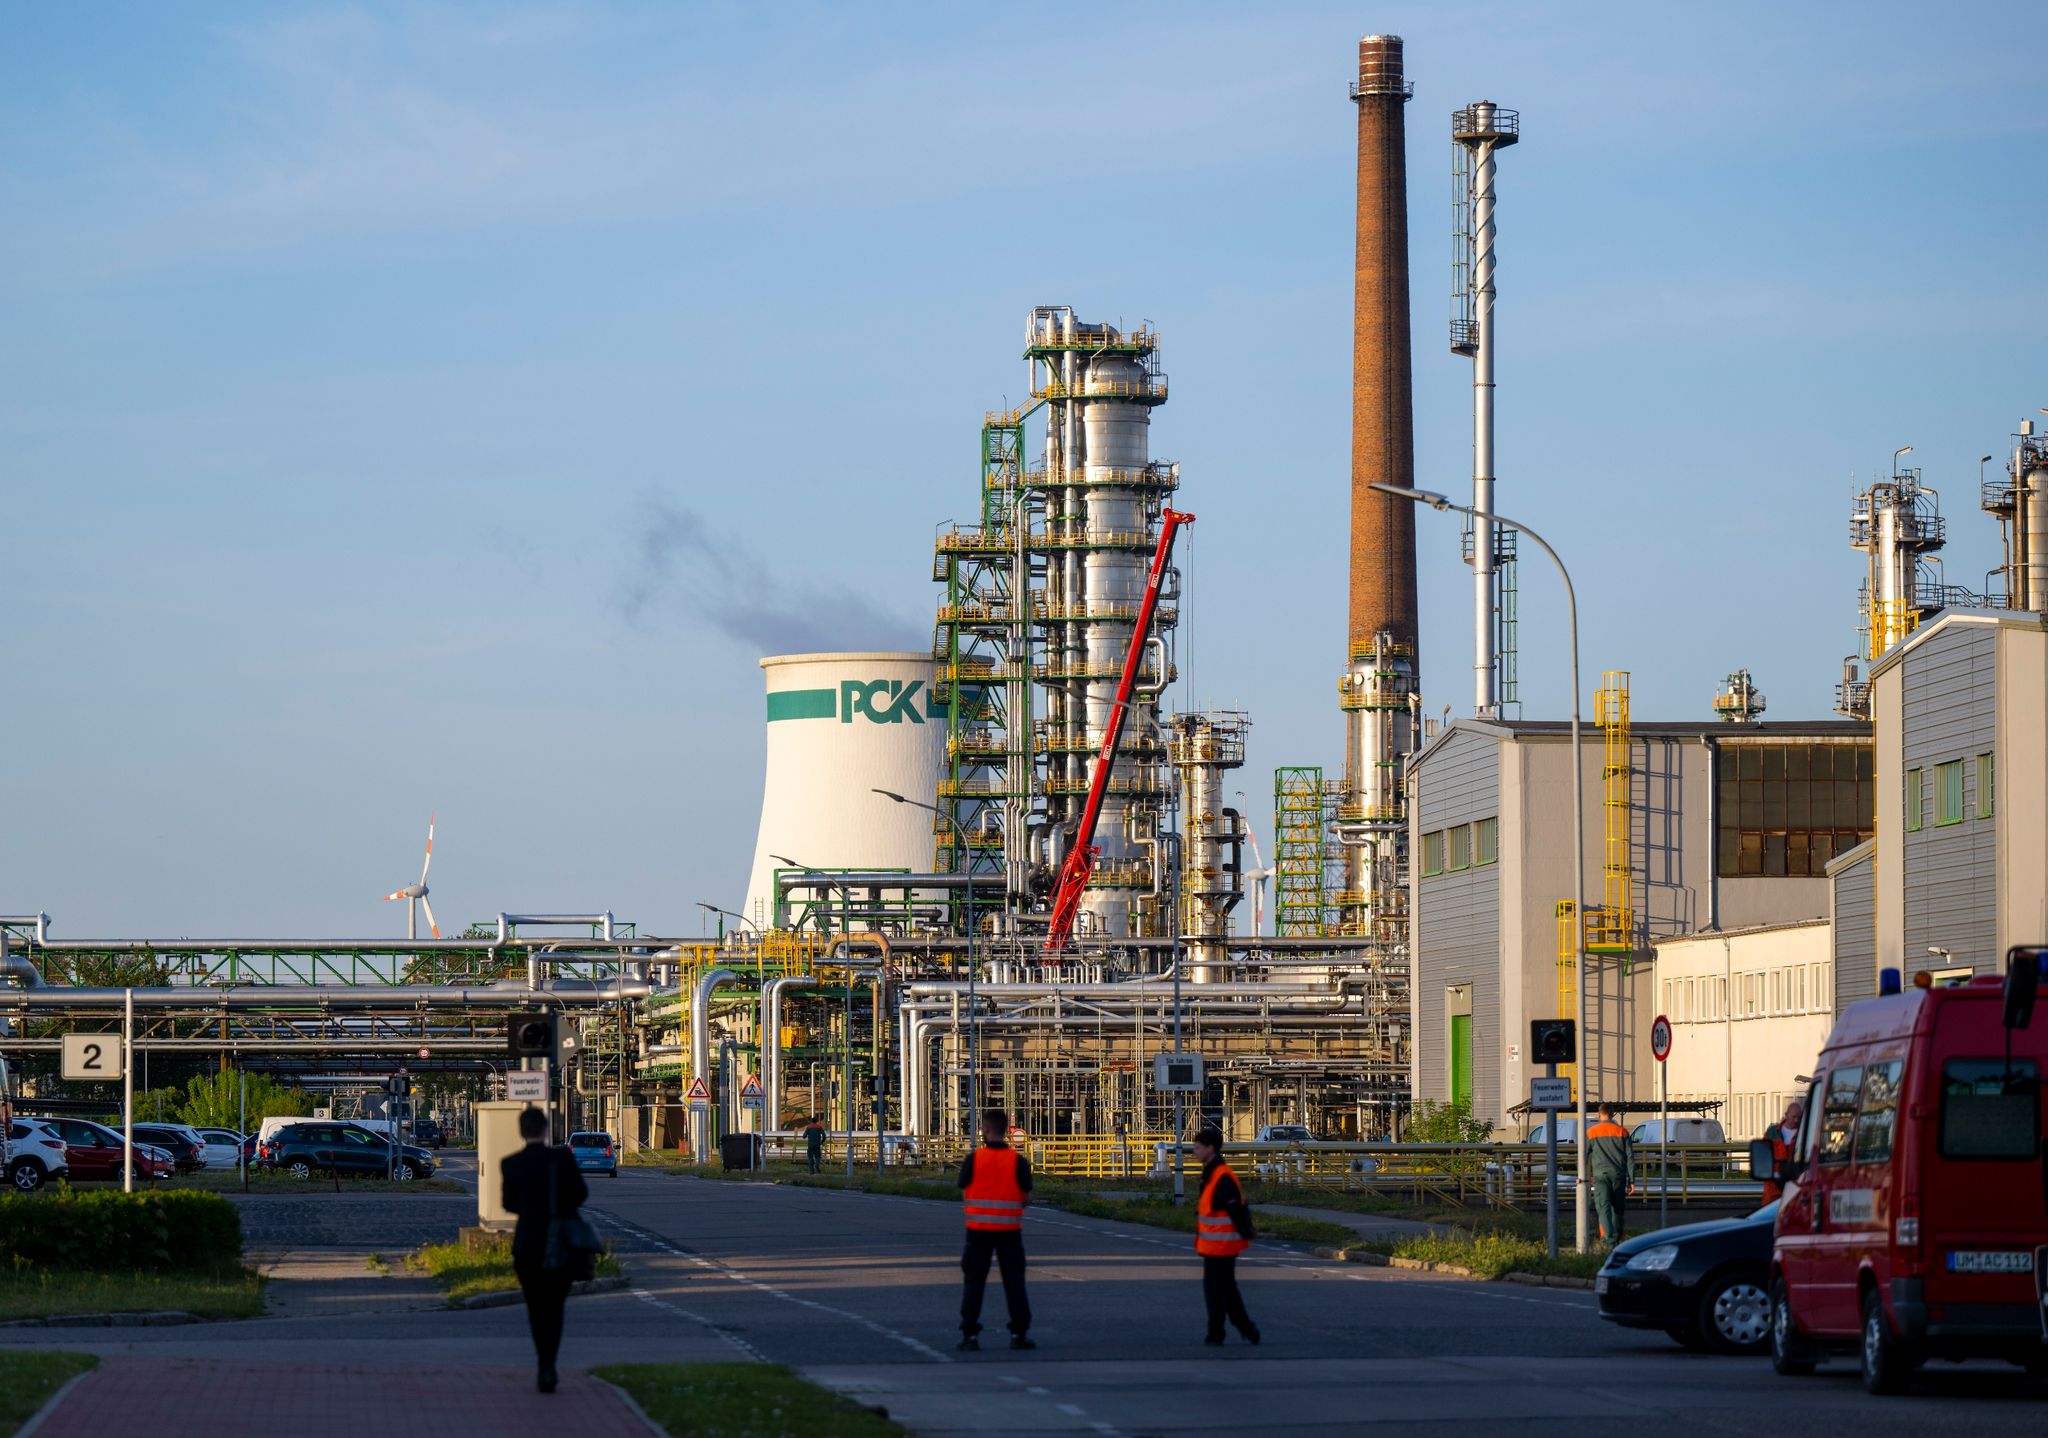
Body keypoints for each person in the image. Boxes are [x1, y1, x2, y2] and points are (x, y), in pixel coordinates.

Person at [500, 1106, 589, 1393]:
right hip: (560, 1242)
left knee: (535, 1307)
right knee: (556, 1306)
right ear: (545, 1129)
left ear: (521, 1131)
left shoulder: (511, 1163)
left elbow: (508, 1204)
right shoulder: (561, 1158)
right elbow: (581, 1193)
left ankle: (543, 1363)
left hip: (527, 1244)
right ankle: (550, 1363)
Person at [956, 1107, 1033, 1352]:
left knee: (974, 1284)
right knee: (1014, 1283)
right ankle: (1018, 1334)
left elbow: (963, 1185)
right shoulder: (1017, 1161)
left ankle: (970, 1335)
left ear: (985, 1130)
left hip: (978, 1232)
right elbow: (1026, 1195)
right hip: (1010, 1231)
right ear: (1005, 1131)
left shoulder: (974, 1159)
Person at [1191, 1127, 1260, 1347]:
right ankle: (1246, 1328)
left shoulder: (1221, 1176)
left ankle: (1216, 1333)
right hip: (1215, 1243)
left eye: (1198, 1147)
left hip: (1221, 1244)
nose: (1195, 1152)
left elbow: (1236, 1207)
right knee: (1227, 1289)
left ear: (1210, 1149)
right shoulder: (1212, 1172)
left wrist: (1246, 1230)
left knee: (1215, 1291)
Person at [1586, 1103, 1634, 1245]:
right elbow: (1630, 1157)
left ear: (1599, 1114)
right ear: (1613, 1114)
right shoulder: (1622, 1132)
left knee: (1604, 1207)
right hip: (1619, 1175)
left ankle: (1608, 1240)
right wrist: (1632, 1180)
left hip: (1600, 1176)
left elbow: (1584, 1155)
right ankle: (1617, 1238)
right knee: (1617, 1208)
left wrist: (1584, 1177)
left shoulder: (1591, 1132)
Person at [1759, 1097, 1804, 1203]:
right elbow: (1763, 1156)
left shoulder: (1804, 1133)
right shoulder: (1772, 1132)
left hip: (1795, 1187)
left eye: (1799, 1117)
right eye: (1793, 1117)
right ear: (1786, 1115)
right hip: (1773, 1189)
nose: (1796, 1120)